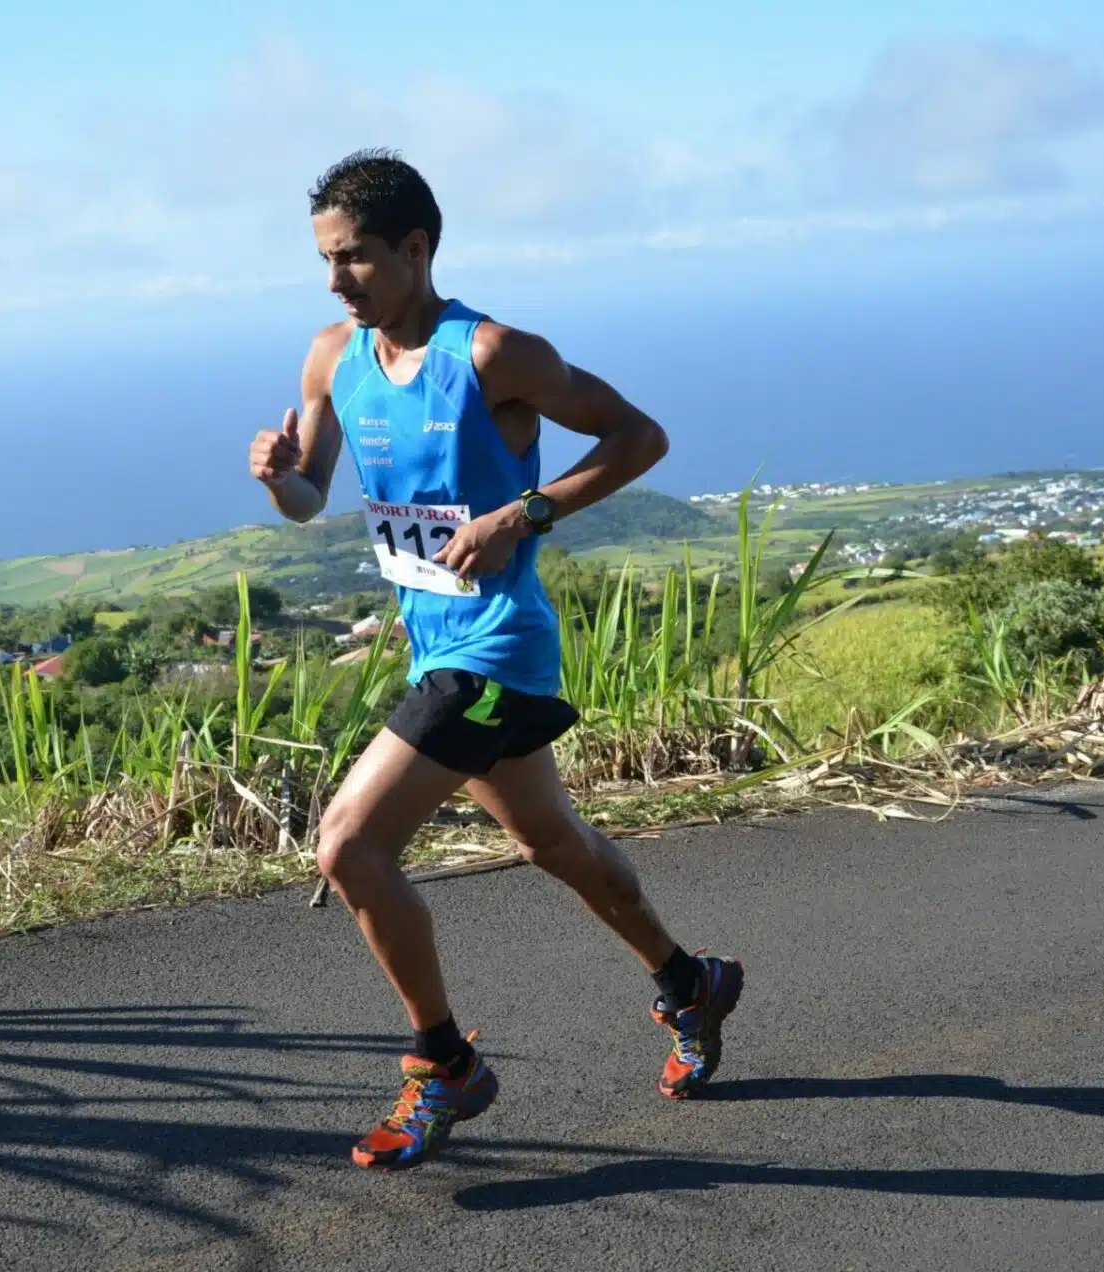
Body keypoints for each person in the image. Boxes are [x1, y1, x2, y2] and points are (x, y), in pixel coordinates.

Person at [247, 148, 743, 1172]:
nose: (337, 281)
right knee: (554, 846)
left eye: (356, 260)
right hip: (439, 643)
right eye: (328, 262)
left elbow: (638, 436)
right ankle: (688, 981)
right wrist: (281, 480)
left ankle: (444, 1068)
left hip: (497, 650)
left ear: (417, 249)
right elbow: (309, 500)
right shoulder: (331, 357)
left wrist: (526, 512)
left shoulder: (493, 356)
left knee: (347, 847)